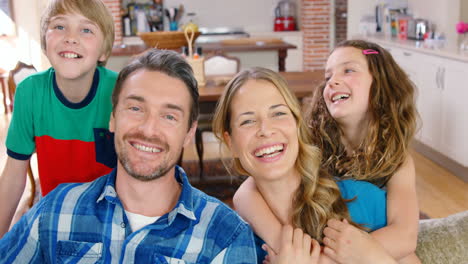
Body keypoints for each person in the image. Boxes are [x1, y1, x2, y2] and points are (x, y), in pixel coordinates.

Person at [0, 49, 258, 263]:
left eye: (169, 116)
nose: (148, 129)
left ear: (189, 133)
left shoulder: (225, 237)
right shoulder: (55, 210)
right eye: (135, 108)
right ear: (113, 118)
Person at [234, 40, 420, 263]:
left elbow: (406, 237)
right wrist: (281, 243)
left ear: (381, 81)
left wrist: (336, 259)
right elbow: (244, 194)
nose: (333, 82)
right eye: (328, 76)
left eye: (348, 70)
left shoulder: (398, 161)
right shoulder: (310, 143)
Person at [212, 67, 396, 264]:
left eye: (278, 113)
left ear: (297, 124)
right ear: (230, 143)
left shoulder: (362, 199)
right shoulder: (231, 244)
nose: (265, 130)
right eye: (247, 121)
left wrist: (375, 258)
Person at [0, 0, 118, 237]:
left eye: (86, 29)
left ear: (104, 51)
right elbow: (13, 176)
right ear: (45, 41)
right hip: (55, 216)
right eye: (59, 26)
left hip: (111, 218)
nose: (71, 37)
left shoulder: (120, 91)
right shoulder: (29, 92)